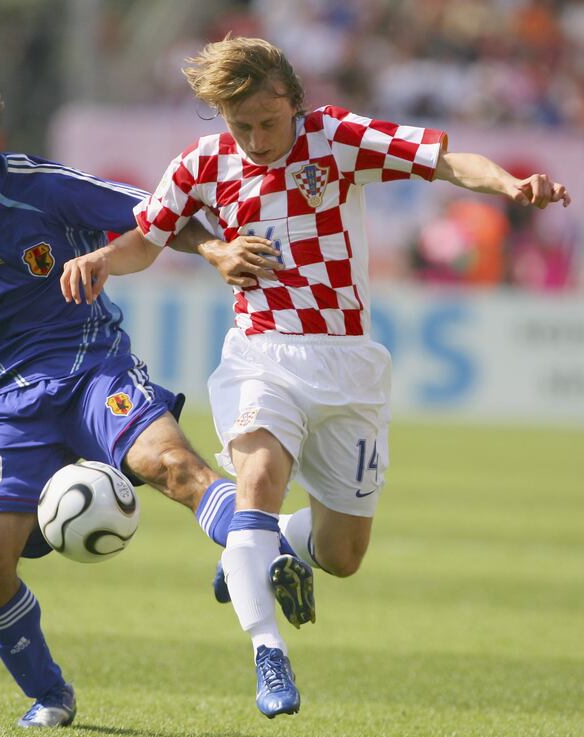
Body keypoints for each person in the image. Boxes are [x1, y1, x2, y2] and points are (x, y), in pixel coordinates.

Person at [0, 50, 314, 730]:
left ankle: (249, 546)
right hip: (8, 404)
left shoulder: (39, 186)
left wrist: (214, 249)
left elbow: (154, 214)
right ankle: (50, 693)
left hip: (93, 364)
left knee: (173, 465)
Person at [61, 36, 571, 719]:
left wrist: (509, 183)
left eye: (268, 122)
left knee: (343, 551)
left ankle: (254, 546)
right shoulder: (201, 164)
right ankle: (268, 650)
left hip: (348, 363)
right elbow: (144, 241)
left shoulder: (336, 139)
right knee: (260, 477)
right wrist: (102, 261)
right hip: (262, 353)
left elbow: (446, 160)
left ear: (293, 102)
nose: (256, 138)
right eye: (241, 125)